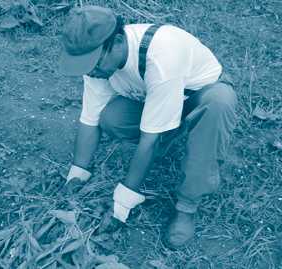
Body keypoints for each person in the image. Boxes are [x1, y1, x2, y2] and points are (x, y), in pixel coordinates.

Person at [59, 5, 237, 247]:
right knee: (111, 118)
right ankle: (171, 129)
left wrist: (121, 203)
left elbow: (149, 140)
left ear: (118, 42)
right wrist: (77, 176)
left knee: (219, 103)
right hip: (156, 96)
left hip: (197, 97)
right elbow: (89, 120)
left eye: (94, 63)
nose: (90, 71)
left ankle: (187, 207)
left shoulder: (161, 57)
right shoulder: (97, 64)